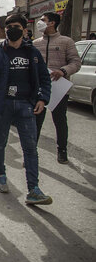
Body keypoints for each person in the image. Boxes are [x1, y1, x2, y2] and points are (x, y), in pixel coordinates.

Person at [0, 14, 52, 205]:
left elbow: (44, 79)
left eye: (16, 26)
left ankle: (33, 189)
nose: (12, 29)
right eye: (9, 26)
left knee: (30, 148)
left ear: (24, 29)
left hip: (26, 105)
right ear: (5, 30)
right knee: (0, 142)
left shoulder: (33, 54)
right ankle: (1, 176)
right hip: (3, 104)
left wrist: (42, 99)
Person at [33, 12, 81, 164]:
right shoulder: (36, 43)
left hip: (59, 88)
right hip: (39, 88)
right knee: (36, 121)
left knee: (59, 120)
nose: (39, 23)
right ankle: (31, 151)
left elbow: (76, 63)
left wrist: (63, 71)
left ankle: (62, 150)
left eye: (43, 20)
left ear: (52, 23)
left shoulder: (66, 42)